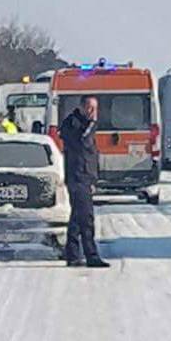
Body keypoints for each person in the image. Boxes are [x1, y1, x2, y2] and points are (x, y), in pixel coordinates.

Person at [59, 95, 109, 268]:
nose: (92, 112)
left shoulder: (88, 126)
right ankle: (91, 256)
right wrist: (92, 125)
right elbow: (82, 142)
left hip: (86, 177)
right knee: (86, 218)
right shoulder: (73, 124)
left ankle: (72, 254)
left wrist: (94, 178)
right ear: (81, 106)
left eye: (95, 108)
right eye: (89, 107)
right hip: (76, 177)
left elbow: (91, 154)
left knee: (76, 218)